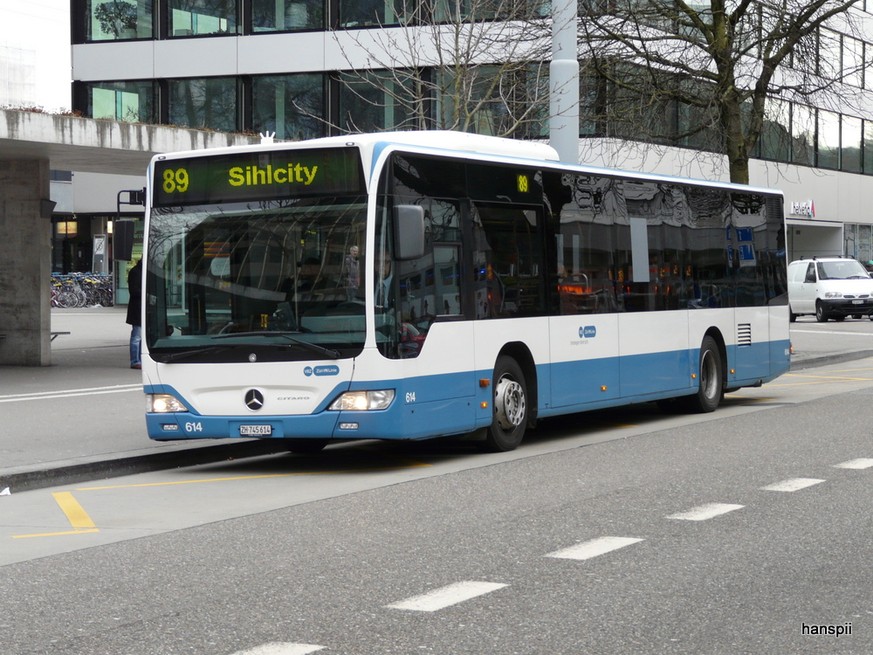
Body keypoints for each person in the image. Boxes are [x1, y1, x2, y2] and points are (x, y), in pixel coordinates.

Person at [126, 259, 142, 369]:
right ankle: (135, 360)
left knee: (139, 336)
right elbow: (134, 290)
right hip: (137, 308)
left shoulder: (139, 271)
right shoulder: (136, 272)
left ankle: (138, 359)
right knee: (137, 336)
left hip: (140, 308)